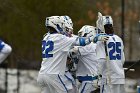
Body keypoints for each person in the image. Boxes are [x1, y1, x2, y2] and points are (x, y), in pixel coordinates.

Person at [37, 15, 109, 93]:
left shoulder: (46, 37)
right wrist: (93, 38)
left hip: (42, 75)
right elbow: (80, 42)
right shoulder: (61, 38)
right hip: (54, 75)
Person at [96, 12, 125, 93]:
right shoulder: (118, 38)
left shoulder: (102, 40)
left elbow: (101, 60)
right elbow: (122, 60)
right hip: (120, 77)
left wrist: (97, 76)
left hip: (108, 78)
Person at [70, 25, 100, 93]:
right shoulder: (94, 45)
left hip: (89, 81)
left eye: (82, 35)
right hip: (91, 80)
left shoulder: (89, 45)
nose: (81, 37)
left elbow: (73, 51)